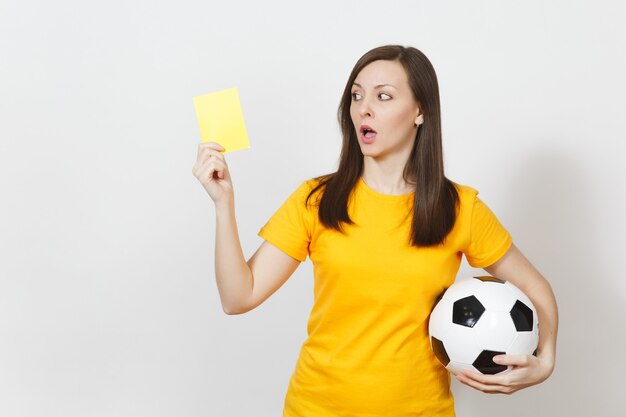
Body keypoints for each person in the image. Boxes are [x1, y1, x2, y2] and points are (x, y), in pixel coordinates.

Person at [192, 44, 558, 416]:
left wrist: (545, 362)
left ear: (420, 111)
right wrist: (224, 205)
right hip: (316, 407)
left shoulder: (459, 208)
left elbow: (535, 287)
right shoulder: (316, 200)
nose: (363, 107)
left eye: (383, 96)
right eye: (356, 95)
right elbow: (238, 298)